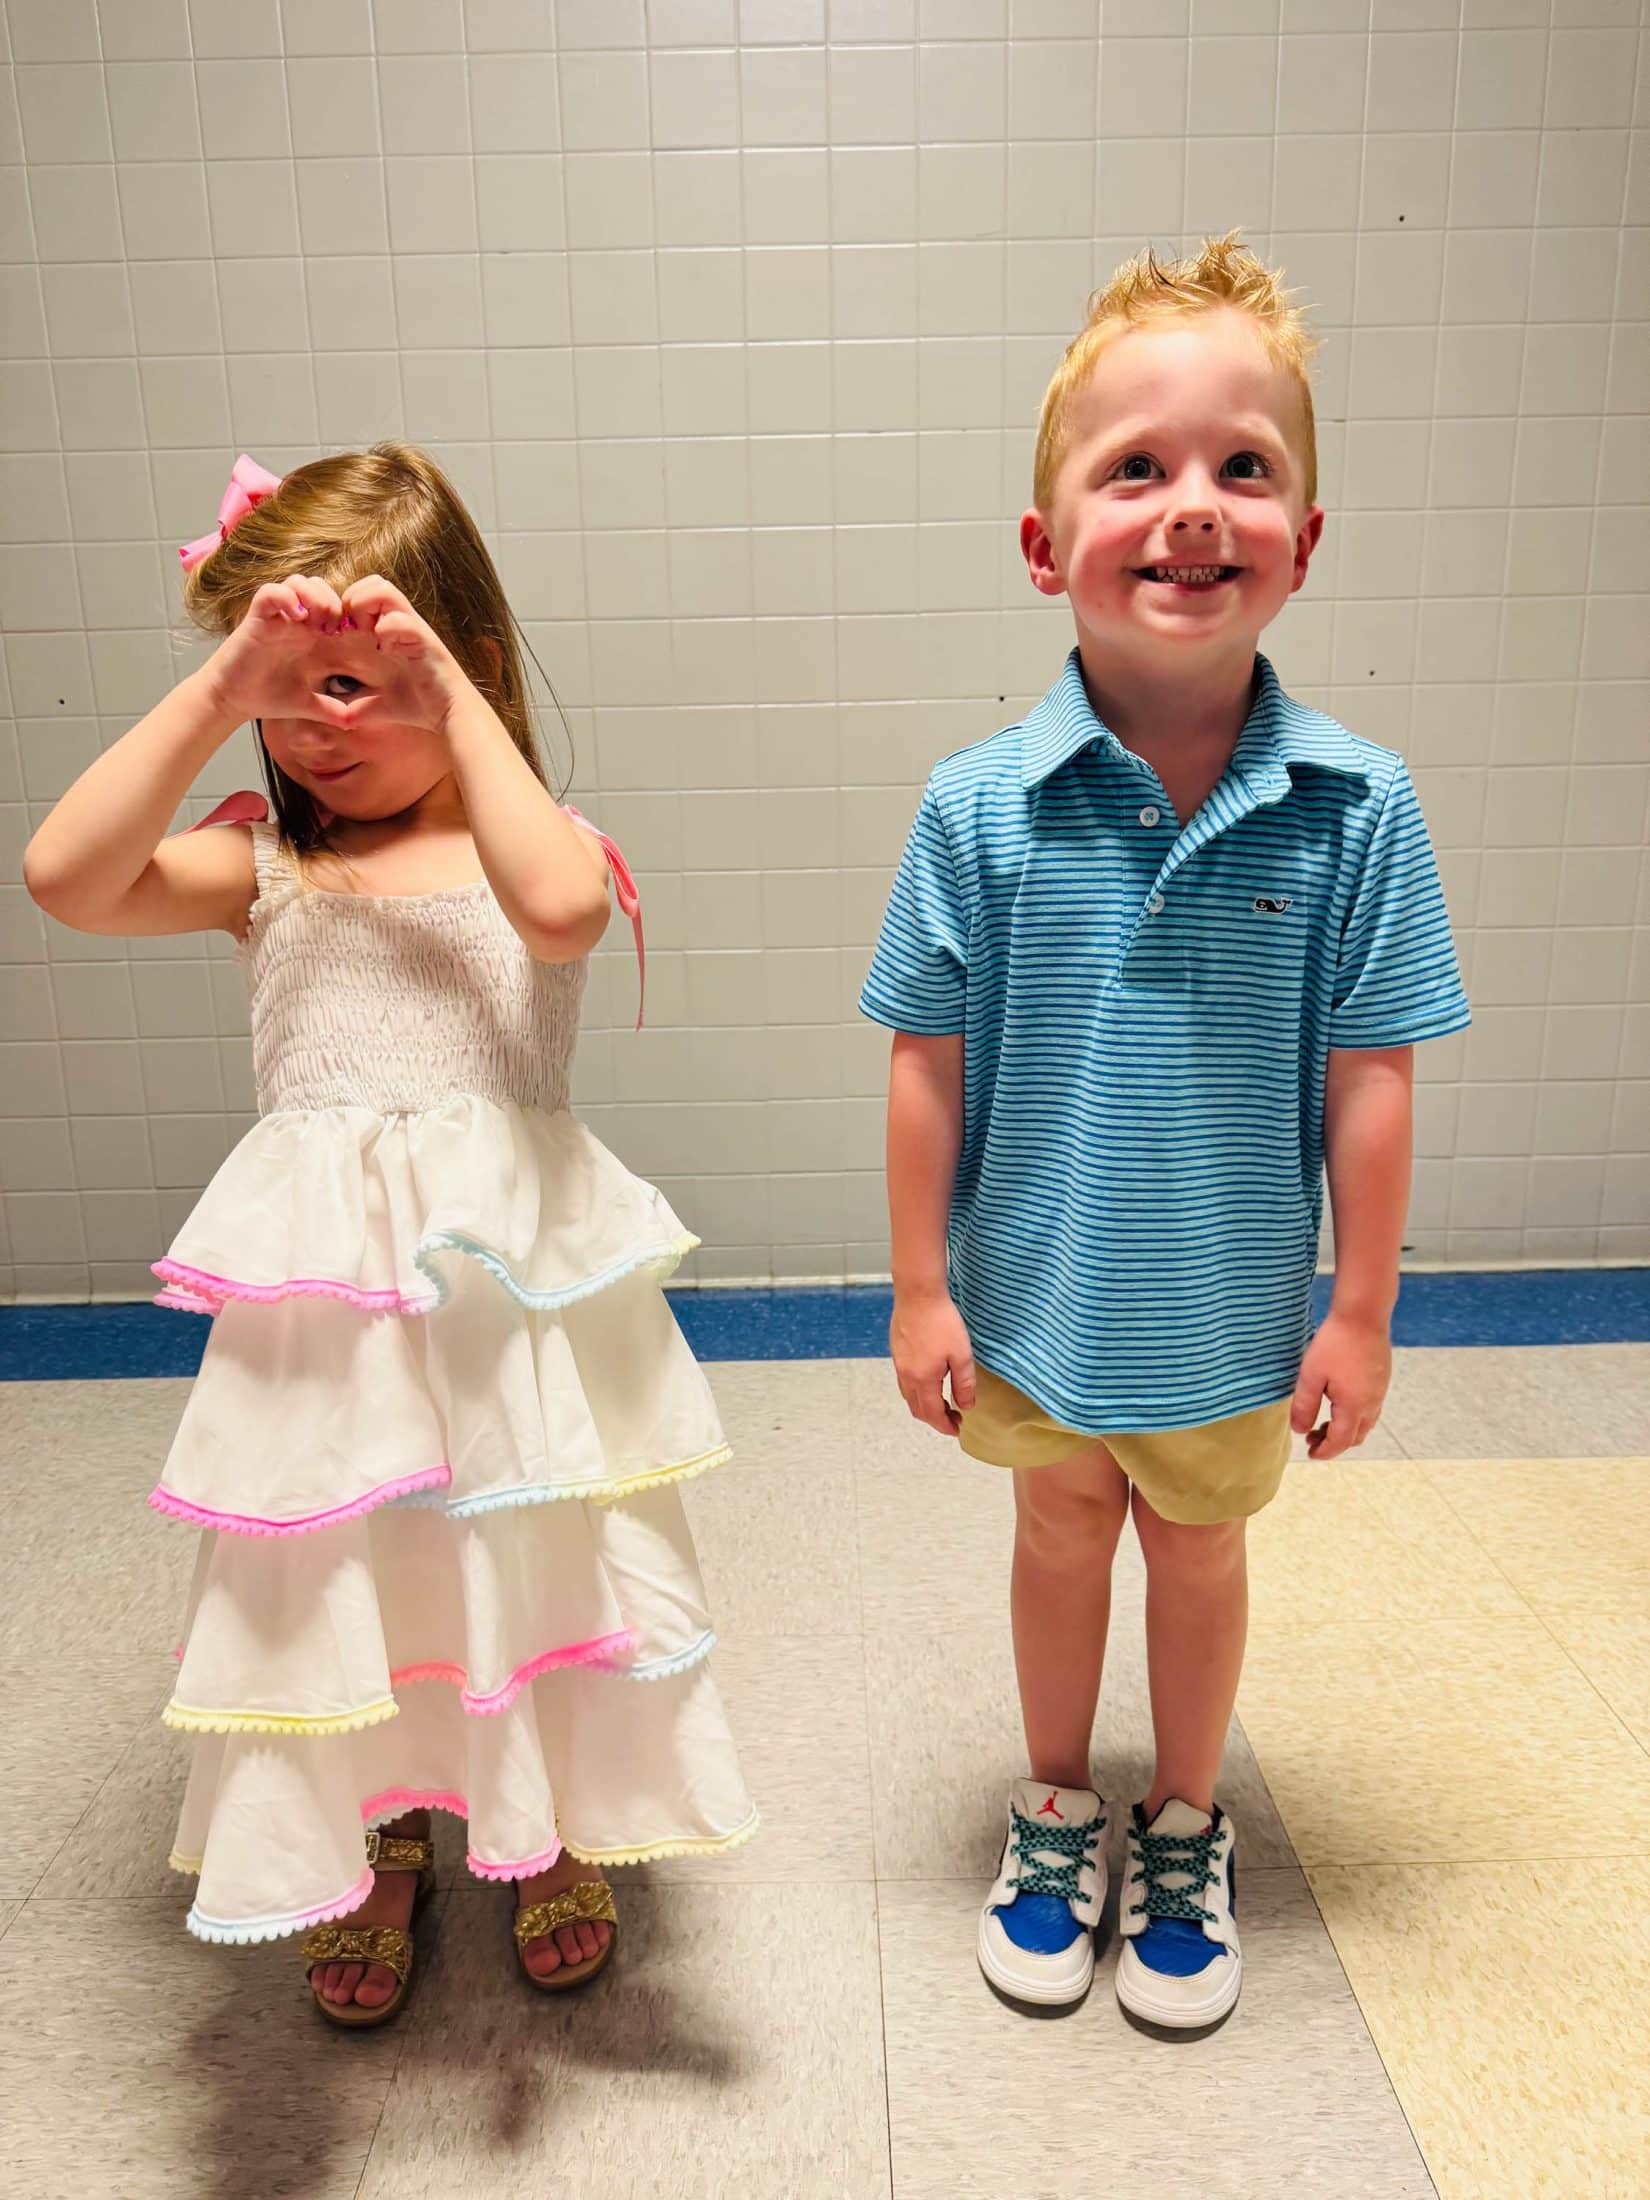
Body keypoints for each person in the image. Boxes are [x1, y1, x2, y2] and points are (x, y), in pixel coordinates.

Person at [25, 442, 755, 2027]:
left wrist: (455, 704)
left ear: (462, 666)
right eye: (287, 696)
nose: (313, 729)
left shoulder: (529, 845)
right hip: (332, 1323)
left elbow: (560, 914)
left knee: (516, 1555)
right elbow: (65, 878)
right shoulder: (265, 862)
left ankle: (544, 1824)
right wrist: (222, 688)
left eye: (353, 688)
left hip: (502, 1313)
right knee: (362, 1570)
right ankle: (385, 1830)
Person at [859, 238, 1469, 2029]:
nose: (1192, 505)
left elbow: (1371, 1075)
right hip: (1034, 1298)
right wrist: (917, 1287)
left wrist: (1359, 1308)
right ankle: (1056, 1810)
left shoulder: (1357, 806)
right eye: (1135, 466)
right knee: (1060, 1531)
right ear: (1043, 543)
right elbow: (922, 1061)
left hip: (1225, 1313)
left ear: (1304, 538)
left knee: (1199, 1550)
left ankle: (1186, 1823)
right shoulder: (975, 808)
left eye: (1241, 466)